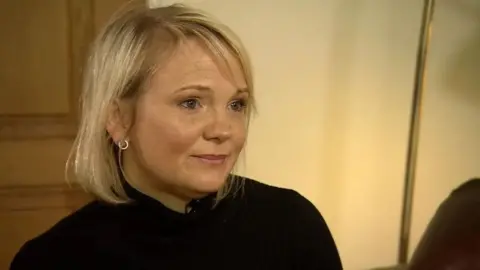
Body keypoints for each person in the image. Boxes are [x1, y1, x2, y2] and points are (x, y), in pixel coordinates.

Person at [10, 3, 342, 270]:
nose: (223, 130)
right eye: (191, 102)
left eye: (236, 104)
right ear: (118, 118)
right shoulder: (53, 258)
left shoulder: (291, 224)